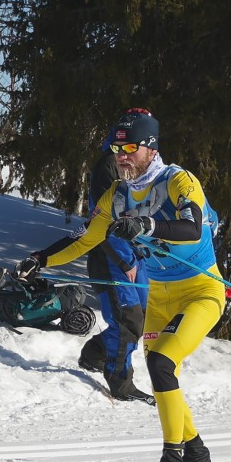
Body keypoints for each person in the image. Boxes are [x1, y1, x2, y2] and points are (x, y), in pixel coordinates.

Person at [17, 109, 225, 462]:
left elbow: (192, 229)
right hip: (159, 298)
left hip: (200, 291)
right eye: (116, 148)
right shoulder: (117, 195)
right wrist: (40, 259)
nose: (122, 156)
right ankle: (196, 452)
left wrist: (146, 225)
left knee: (162, 363)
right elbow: (84, 239)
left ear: (150, 147)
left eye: (130, 147)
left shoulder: (179, 180)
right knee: (163, 373)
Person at [79, 142, 155, 405]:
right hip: (112, 257)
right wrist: (124, 261)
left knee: (140, 318)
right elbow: (106, 221)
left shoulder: (147, 163)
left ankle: (94, 354)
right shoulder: (110, 165)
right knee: (127, 321)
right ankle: (121, 385)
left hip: (136, 255)